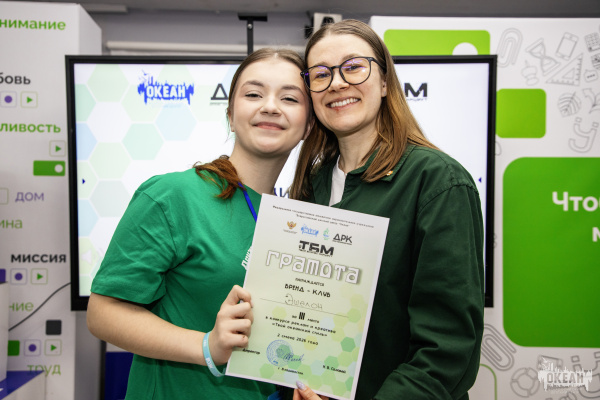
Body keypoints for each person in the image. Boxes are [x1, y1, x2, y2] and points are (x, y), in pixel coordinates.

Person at [87, 47, 313, 399]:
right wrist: (207, 346)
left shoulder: (295, 223)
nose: (270, 106)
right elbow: (103, 314)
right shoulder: (173, 196)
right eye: (254, 94)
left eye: (289, 98)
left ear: (309, 124)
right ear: (230, 114)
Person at [289, 19, 484, 400]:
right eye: (322, 74)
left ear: (384, 82)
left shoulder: (438, 182)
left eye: (353, 67)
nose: (337, 83)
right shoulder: (311, 186)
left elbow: (446, 350)